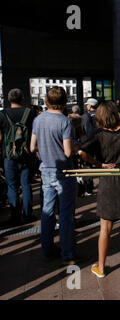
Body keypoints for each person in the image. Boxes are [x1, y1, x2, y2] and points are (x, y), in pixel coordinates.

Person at [77, 101, 120, 278]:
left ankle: (101, 267)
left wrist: (99, 164)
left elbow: (81, 152)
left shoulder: (99, 135)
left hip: (108, 181)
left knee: (105, 228)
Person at [30, 87, 78, 264]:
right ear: (64, 102)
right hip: (64, 171)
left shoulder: (38, 120)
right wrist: (76, 149)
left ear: (46, 101)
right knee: (65, 214)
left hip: (46, 170)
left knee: (47, 211)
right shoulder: (65, 122)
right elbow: (67, 152)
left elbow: (32, 146)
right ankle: (68, 253)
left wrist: (43, 155)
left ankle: (47, 248)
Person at [0, 89, 37, 225]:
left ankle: (15, 216)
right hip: (26, 154)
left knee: (12, 186)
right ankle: (28, 214)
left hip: (9, 155)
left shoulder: (2, 114)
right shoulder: (30, 113)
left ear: (9, 99)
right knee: (26, 184)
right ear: (22, 99)